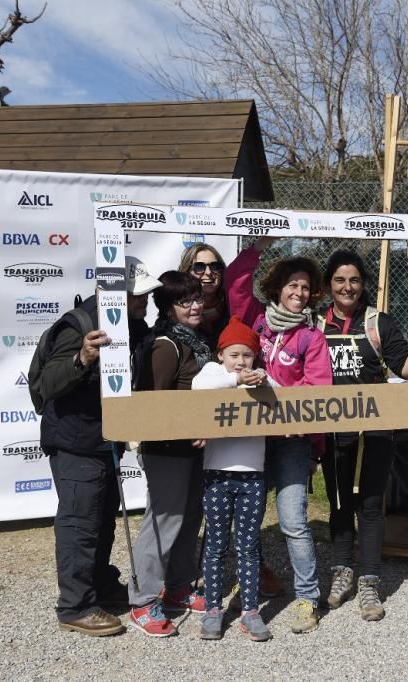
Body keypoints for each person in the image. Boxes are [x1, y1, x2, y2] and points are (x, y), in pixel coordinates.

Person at [318, 249, 408, 620]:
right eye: (340, 280)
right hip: (333, 431)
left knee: (371, 506)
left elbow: (406, 369)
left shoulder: (379, 322)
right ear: (329, 284)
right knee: (340, 502)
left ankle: (369, 584)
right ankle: (341, 573)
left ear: (363, 284)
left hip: (375, 430)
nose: (347, 287)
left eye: (354, 280)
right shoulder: (314, 322)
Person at [40, 256, 159, 637]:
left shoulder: (133, 326)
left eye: (146, 295)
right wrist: (82, 358)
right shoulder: (78, 326)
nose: (145, 302)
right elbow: (48, 384)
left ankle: (102, 585)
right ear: (115, 296)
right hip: (75, 440)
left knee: (103, 516)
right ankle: (74, 605)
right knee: (80, 522)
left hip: (105, 439)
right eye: (138, 296)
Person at [226, 237, 332, 634]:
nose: (299, 293)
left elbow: (318, 391)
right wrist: (257, 247)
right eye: (292, 285)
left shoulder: (311, 336)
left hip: (291, 441)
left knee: (293, 521)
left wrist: (274, 391)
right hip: (251, 438)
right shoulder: (256, 319)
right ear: (277, 288)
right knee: (245, 521)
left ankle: (308, 598)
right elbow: (236, 282)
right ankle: (251, 588)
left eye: (305, 287)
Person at [178, 241, 285, 600]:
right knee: (192, 507)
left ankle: (251, 575)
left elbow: (240, 282)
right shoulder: (175, 309)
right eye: (198, 267)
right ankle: (183, 579)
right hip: (189, 421)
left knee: (245, 519)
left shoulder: (233, 310)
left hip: (240, 434)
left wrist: (257, 243)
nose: (207, 273)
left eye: (214, 266)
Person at [127, 271, 213, 637]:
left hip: (194, 448)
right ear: (168, 307)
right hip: (167, 449)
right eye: (185, 301)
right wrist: (186, 427)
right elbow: (152, 404)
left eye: (198, 298)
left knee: (189, 518)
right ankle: (143, 600)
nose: (195, 306)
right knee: (163, 520)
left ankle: (178, 587)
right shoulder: (165, 344)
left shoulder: (195, 340)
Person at [193, 316, 278, 642]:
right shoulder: (214, 374)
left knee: (247, 546)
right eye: (234, 355)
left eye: (247, 355)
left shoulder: (260, 378)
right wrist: (235, 379)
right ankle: (213, 610)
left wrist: (263, 381)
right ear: (221, 356)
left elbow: (284, 396)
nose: (241, 361)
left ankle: (250, 611)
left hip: (252, 477)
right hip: (216, 474)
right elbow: (199, 387)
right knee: (215, 545)